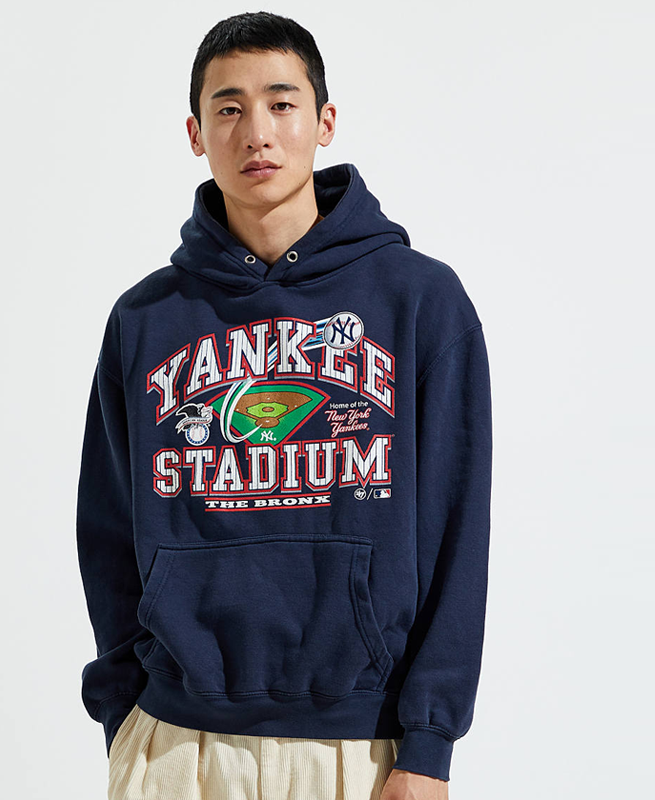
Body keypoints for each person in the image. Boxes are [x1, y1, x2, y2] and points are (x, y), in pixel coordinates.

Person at [75, 11, 493, 800]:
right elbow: (106, 533)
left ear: (324, 121)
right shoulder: (145, 320)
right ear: (196, 133)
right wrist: (123, 719)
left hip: (361, 749)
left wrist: (429, 744)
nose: (257, 133)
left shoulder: (420, 303)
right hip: (176, 745)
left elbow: (457, 532)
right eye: (229, 109)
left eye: (281, 103)